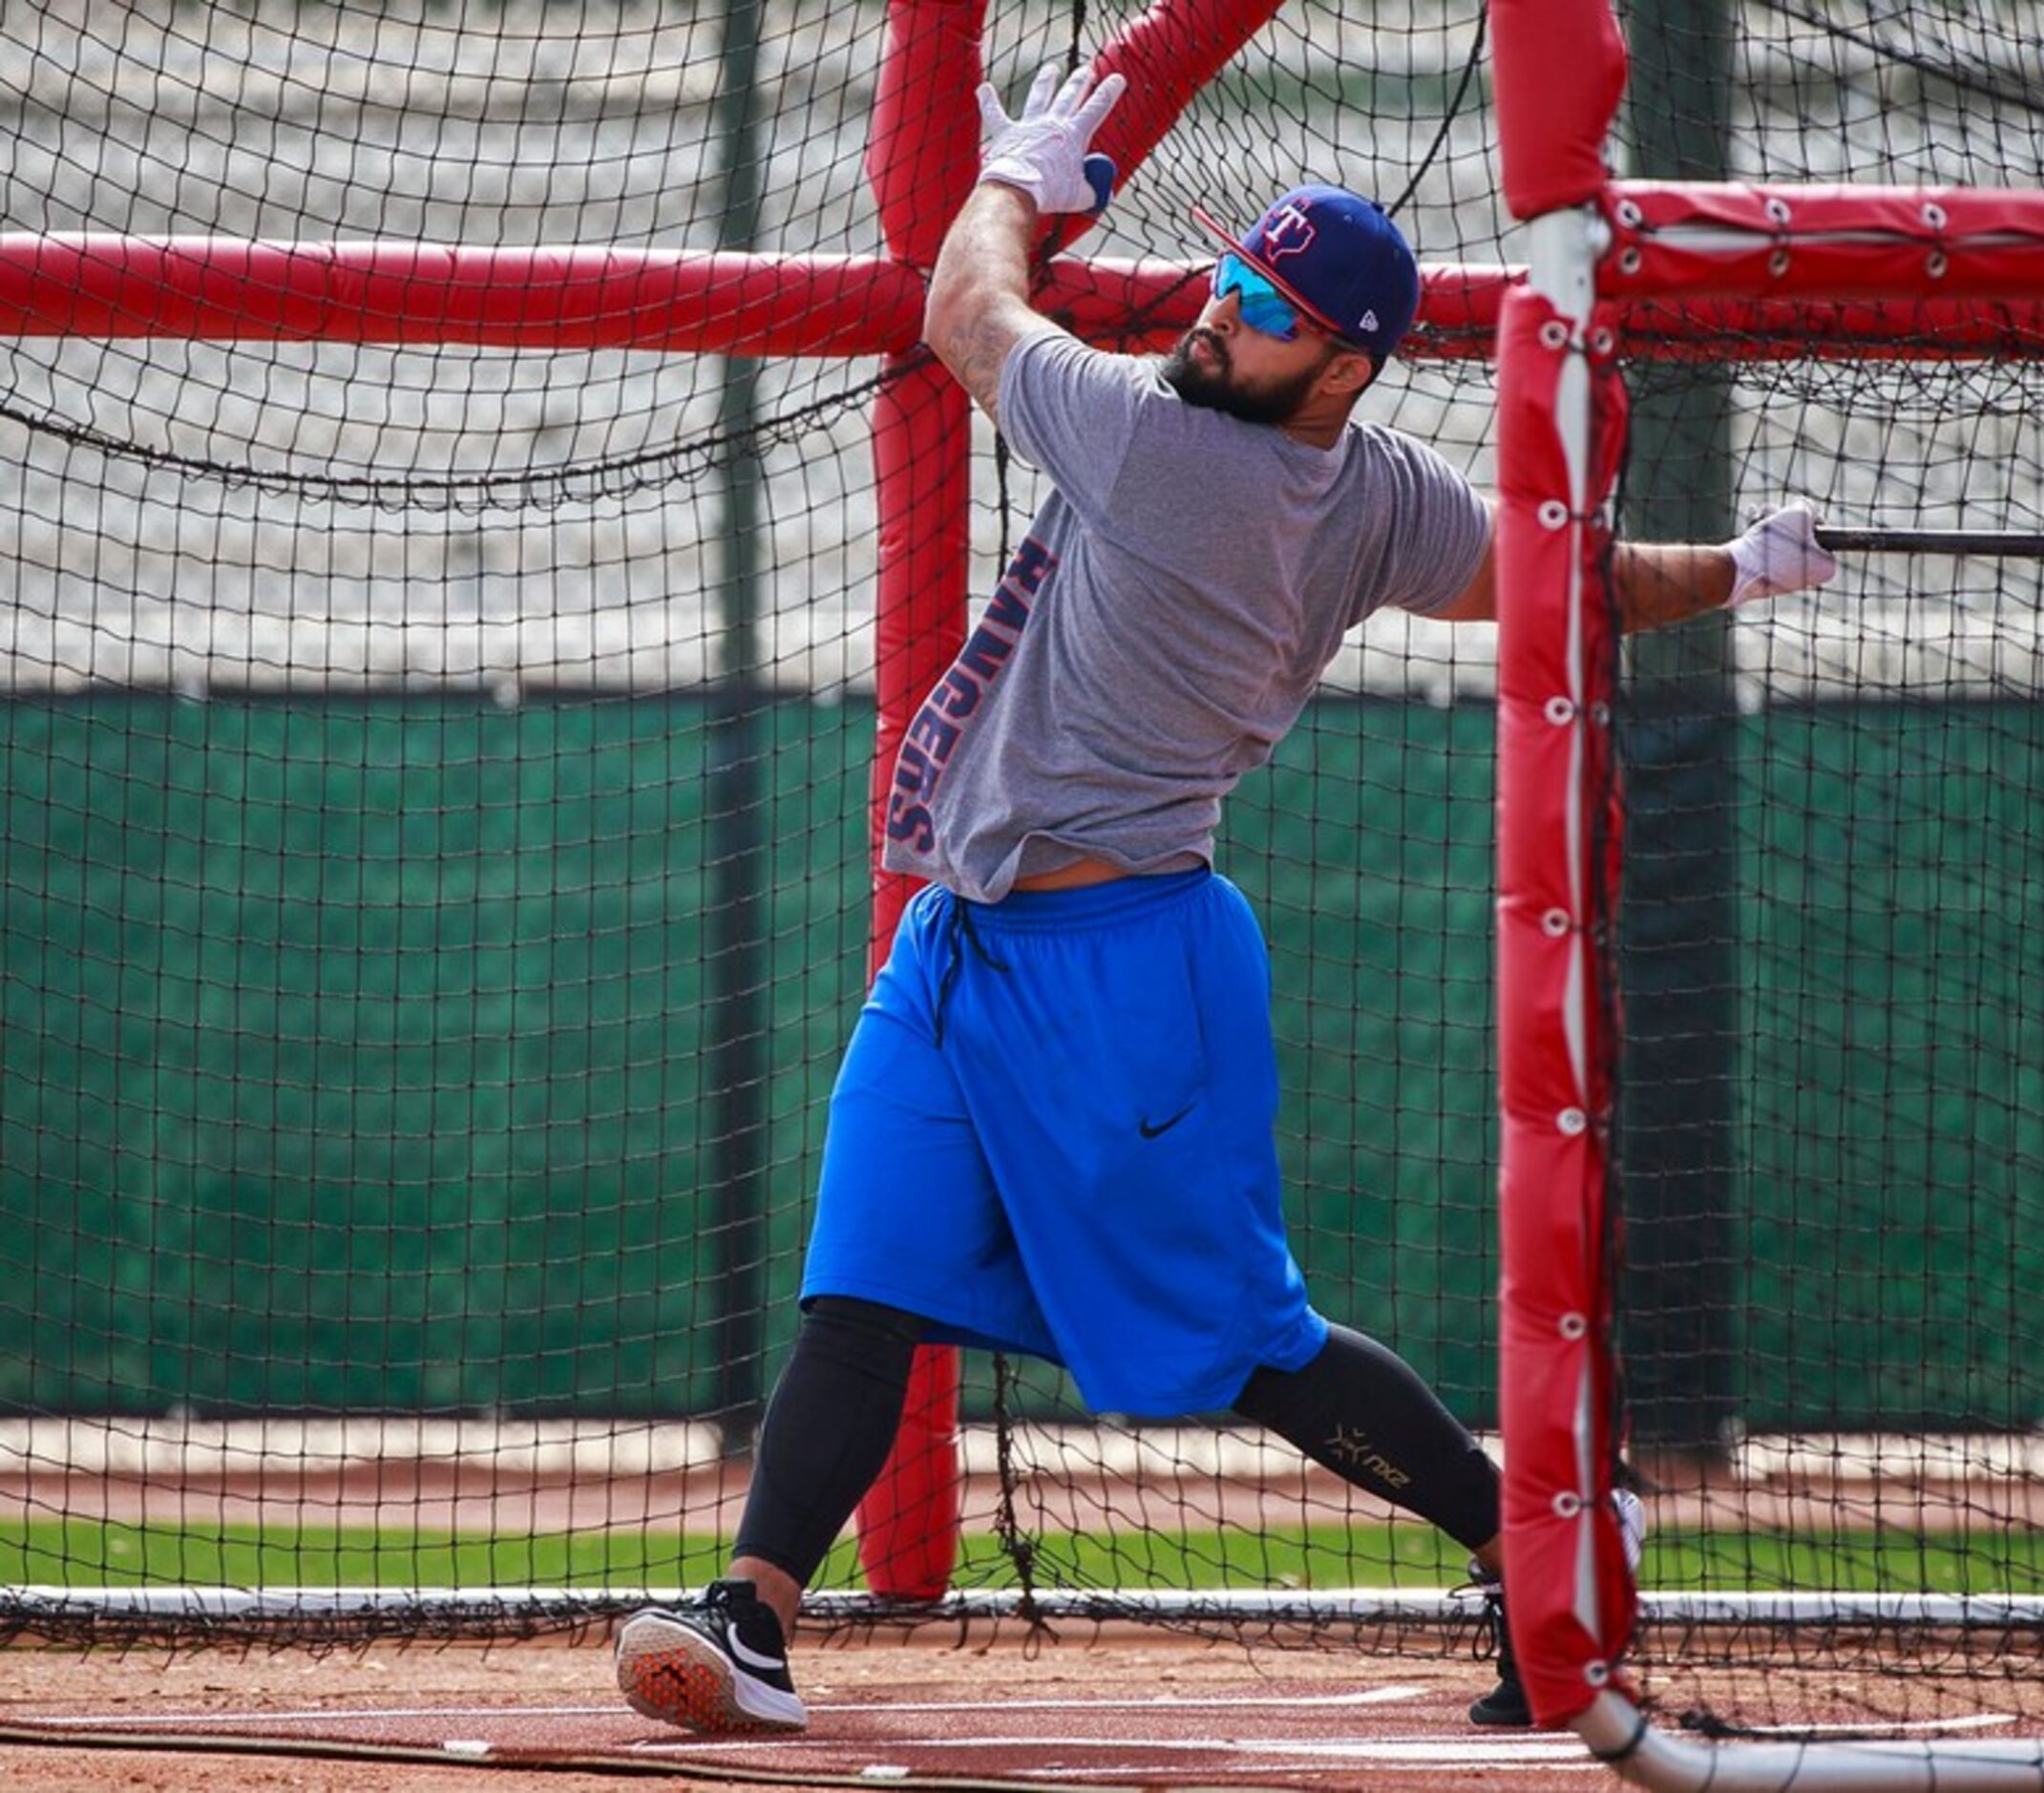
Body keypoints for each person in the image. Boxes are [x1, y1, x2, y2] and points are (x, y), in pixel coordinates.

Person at [612, 64, 1835, 1739]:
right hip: (960, 947)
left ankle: (1538, 1545)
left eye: (1264, 310)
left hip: (1127, 972)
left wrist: (1025, 183)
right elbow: (1563, 579)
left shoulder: (1174, 452)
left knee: (1246, 1341)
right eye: (1229, 281)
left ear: (1343, 364)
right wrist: (1736, 567)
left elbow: (969, 309)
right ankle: (749, 1622)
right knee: (865, 1280)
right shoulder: (1374, 489)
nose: (1217, 315)